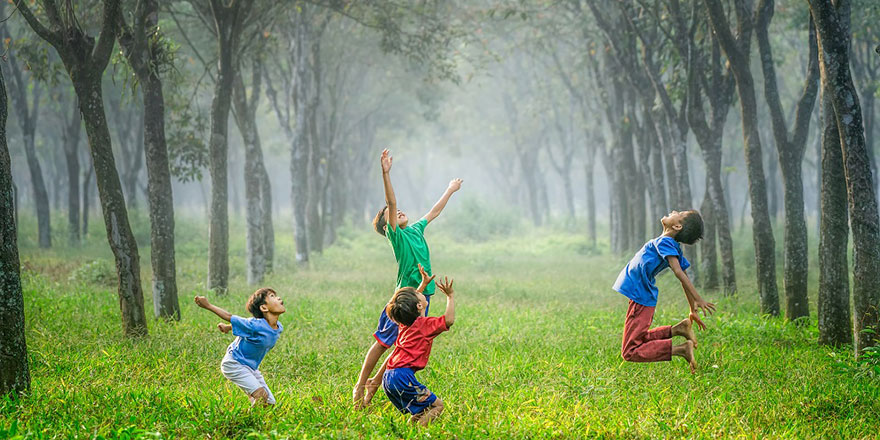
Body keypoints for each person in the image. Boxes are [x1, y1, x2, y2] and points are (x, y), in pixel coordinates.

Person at [352, 148, 462, 408]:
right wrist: (385, 173)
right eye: (391, 213)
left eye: (399, 210)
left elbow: (433, 212)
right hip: (403, 298)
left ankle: (374, 387)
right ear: (386, 226)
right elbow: (391, 202)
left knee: (405, 344)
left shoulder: (415, 229)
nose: (398, 211)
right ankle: (361, 385)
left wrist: (450, 189)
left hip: (423, 295)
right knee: (382, 343)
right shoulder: (397, 237)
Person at [612, 210, 715, 373]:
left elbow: (679, 272)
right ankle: (678, 330)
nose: (674, 211)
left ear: (677, 225)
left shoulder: (666, 242)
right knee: (639, 339)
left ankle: (681, 350)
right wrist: (691, 308)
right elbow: (684, 275)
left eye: (679, 213)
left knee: (630, 351)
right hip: (640, 296)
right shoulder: (669, 244)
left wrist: (698, 298)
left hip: (640, 296)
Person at [383, 274, 456, 425]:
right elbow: (449, 320)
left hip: (388, 376)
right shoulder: (425, 325)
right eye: (419, 294)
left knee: (423, 409)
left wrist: (422, 285)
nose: (421, 293)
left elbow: (408, 305)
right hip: (402, 377)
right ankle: (418, 434)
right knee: (438, 406)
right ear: (419, 305)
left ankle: (410, 429)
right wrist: (450, 296)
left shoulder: (405, 323)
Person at [194, 288, 285, 405]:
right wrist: (208, 305)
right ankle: (246, 420)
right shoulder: (255, 325)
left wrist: (227, 327)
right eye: (272, 296)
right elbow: (229, 316)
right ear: (264, 308)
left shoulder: (278, 327)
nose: (278, 298)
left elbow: (245, 326)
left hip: (251, 368)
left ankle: (254, 405)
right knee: (261, 396)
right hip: (234, 363)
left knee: (269, 403)